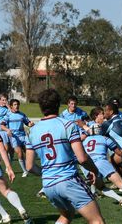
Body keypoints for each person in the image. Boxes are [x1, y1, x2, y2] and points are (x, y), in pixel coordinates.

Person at [25, 89, 105, 224]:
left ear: (41, 107)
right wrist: (95, 171)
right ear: (58, 104)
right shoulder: (67, 125)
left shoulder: (32, 131)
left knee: (67, 215)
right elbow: (82, 158)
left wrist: (47, 173)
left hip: (49, 185)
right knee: (97, 220)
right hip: (68, 180)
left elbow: (29, 167)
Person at [1, 99, 34, 177]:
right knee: (19, 153)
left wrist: (31, 124)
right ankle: (25, 171)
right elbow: (2, 125)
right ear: (11, 106)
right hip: (14, 137)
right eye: (15, 105)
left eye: (18, 104)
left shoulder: (22, 114)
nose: (17, 106)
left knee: (29, 152)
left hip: (23, 136)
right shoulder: (8, 115)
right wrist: (7, 130)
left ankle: (31, 167)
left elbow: (27, 123)